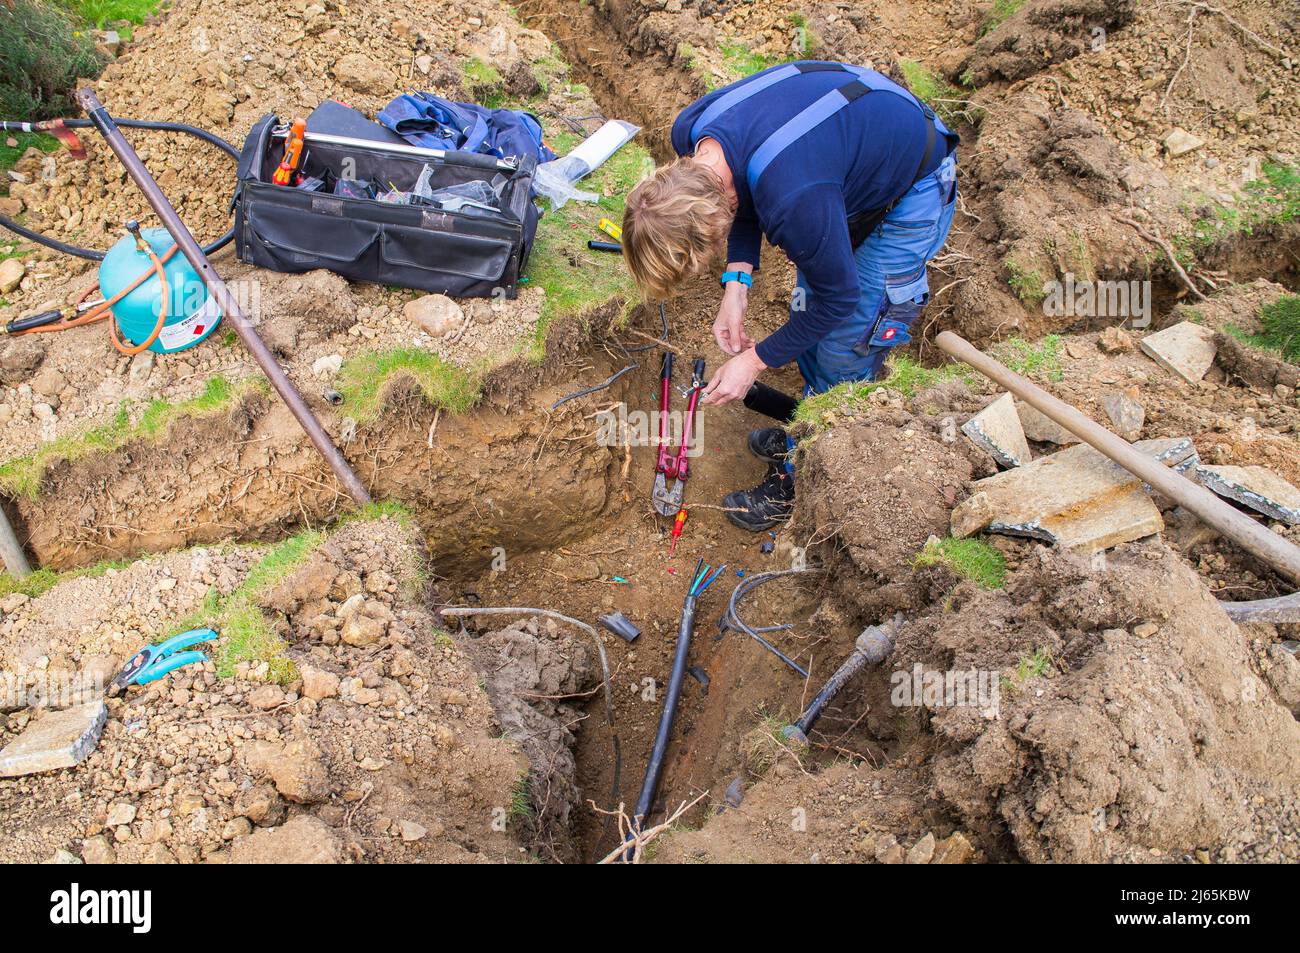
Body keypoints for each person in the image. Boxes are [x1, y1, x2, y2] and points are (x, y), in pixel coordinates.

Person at [621, 60, 959, 530]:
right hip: (842, 151)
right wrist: (735, 285)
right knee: (809, 311)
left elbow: (839, 299)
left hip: (910, 180)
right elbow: (740, 193)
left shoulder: (793, 198)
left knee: (845, 341)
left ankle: (805, 478)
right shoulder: (694, 136)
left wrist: (752, 362)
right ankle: (808, 427)